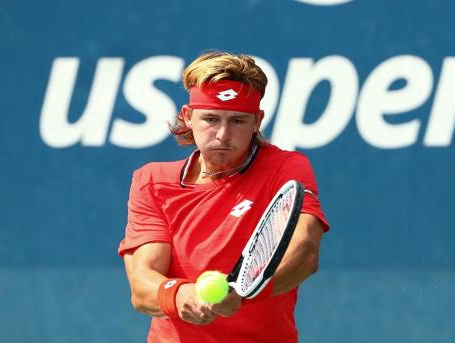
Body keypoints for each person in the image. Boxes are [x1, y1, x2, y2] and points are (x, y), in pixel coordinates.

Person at [118, 51, 329, 343]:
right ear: (187, 117)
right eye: (211, 119)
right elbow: (142, 287)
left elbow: (305, 252)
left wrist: (245, 295)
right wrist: (181, 296)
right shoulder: (151, 181)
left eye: (238, 122)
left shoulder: (286, 168)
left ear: (257, 121)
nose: (222, 134)